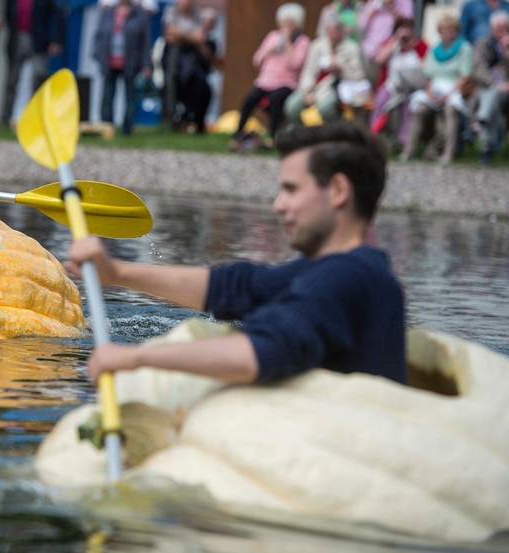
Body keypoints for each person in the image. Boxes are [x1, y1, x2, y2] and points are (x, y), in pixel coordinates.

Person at [64, 121, 405, 386]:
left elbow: (257, 354)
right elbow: (237, 286)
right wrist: (117, 274)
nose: (278, 205)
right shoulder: (344, 269)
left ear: (339, 191)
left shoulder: (346, 278)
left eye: (291, 189)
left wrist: (134, 359)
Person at [228, 2, 310, 152]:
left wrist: (286, 43)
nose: (285, 26)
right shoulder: (272, 37)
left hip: (287, 83)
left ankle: (272, 137)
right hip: (265, 80)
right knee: (249, 100)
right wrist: (269, 51)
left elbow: (295, 64)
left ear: (297, 24)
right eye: (284, 22)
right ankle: (237, 135)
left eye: (290, 22)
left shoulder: (303, 42)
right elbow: (256, 60)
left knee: (275, 100)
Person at [400, 14, 473, 165]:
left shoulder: (464, 48)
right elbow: (427, 76)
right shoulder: (434, 50)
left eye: (450, 29)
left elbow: (465, 76)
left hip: (454, 88)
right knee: (419, 109)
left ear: (456, 31)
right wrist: (429, 92)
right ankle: (408, 151)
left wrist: (448, 94)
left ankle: (448, 153)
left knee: (450, 110)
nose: (447, 33)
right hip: (434, 88)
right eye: (444, 30)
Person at [283, 14, 366, 127]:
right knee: (292, 106)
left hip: (338, 88)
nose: (332, 33)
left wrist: (340, 68)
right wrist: (307, 90)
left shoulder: (352, 48)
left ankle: (331, 135)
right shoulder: (317, 45)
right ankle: (304, 134)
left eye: (335, 30)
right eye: (329, 30)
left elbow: (358, 75)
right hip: (315, 87)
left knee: (325, 108)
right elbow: (308, 70)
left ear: (342, 30)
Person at [469, 10, 509, 164]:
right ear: (492, 29)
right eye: (499, 27)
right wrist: (496, 83)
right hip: (486, 88)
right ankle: (487, 142)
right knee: (493, 93)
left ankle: (481, 124)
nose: (503, 31)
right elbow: (478, 69)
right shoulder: (483, 43)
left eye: (506, 27)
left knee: (493, 95)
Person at [0, 0, 65, 127]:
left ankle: (37, 121)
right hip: (17, 39)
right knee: (11, 82)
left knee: (38, 83)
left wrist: (55, 40)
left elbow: (58, 15)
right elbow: (8, 16)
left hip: (38, 41)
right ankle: (5, 119)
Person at [90, 0, 151, 136]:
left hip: (131, 62)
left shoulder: (139, 14)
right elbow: (99, 35)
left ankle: (128, 129)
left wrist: (146, 64)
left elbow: (145, 41)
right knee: (107, 96)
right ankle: (106, 128)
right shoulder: (108, 12)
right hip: (109, 60)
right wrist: (97, 53)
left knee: (130, 97)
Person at [368, 17, 428, 152]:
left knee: (409, 105)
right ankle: (373, 135)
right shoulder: (391, 44)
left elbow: (427, 67)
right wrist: (396, 41)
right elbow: (379, 59)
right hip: (392, 85)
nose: (406, 33)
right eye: (403, 28)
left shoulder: (420, 45)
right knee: (381, 101)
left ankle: (403, 141)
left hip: (413, 87)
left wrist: (413, 46)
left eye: (409, 29)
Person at [162, 0, 216, 134]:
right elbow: (169, 35)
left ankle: (194, 122)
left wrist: (181, 36)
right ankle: (171, 120)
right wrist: (191, 37)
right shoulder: (171, 12)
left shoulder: (197, 15)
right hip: (174, 58)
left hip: (192, 61)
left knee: (203, 87)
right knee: (171, 81)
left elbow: (199, 37)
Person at [357, 0, 414, 82]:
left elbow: (407, 26)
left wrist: (390, 7)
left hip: (392, 52)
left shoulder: (405, 2)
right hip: (370, 51)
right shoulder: (373, 2)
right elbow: (362, 25)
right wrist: (373, 11)